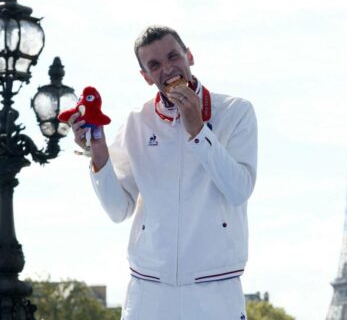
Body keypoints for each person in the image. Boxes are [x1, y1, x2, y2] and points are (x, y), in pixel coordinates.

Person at [69, 25, 257, 320]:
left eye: (173, 56)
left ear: (189, 56)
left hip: (215, 286)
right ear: (145, 76)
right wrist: (99, 154)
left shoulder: (236, 111)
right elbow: (119, 210)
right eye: (155, 65)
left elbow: (239, 190)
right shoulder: (137, 121)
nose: (168, 69)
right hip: (149, 288)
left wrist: (197, 130)